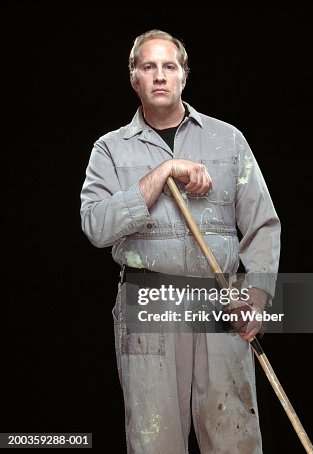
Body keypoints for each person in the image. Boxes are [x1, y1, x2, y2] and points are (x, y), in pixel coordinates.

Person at [80, 29, 280, 454]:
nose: (159, 76)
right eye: (148, 67)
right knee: (156, 443)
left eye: (169, 66)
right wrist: (162, 173)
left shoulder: (228, 140)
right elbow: (96, 226)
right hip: (148, 305)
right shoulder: (110, 150)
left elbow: (263, 225)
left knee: (233, 441)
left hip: (220, 305)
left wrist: (257, 298)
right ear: (133, 78)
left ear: (184, 76)